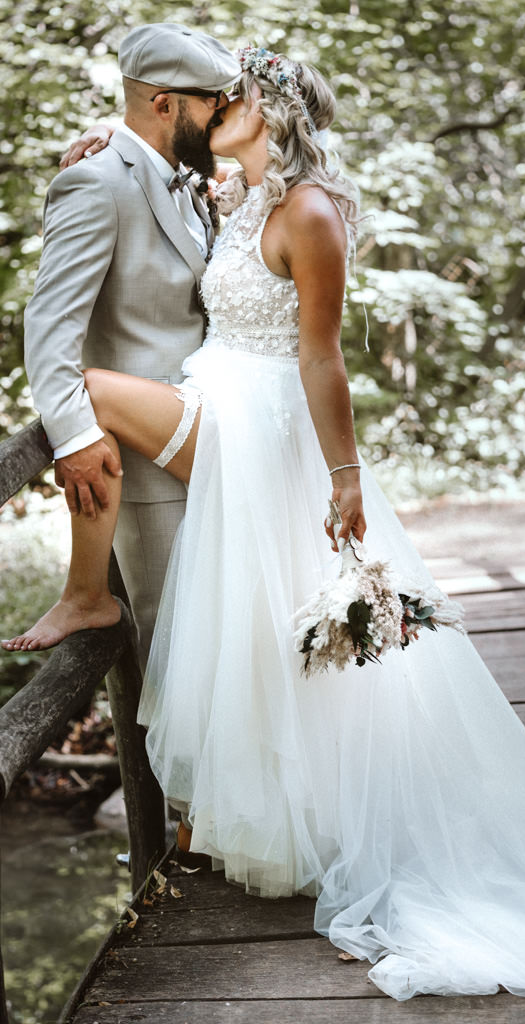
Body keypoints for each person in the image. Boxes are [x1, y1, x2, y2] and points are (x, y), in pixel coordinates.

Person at [5, 45, 525, 1014]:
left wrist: (345, 476)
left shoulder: (311, 212)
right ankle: (280, 820)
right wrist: (107, 138)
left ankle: (86, 595)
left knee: (92, 399)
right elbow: (154, 171)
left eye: (235, 99)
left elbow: (321, 358)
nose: (219, 109)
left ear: (271, 114)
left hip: (259, 423)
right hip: (223, 401)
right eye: (213, 99)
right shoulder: (237, 194)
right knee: (263, 637)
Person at [22, 23, 241, 667]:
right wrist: (74, 437)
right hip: (148, 474)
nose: (223, 112)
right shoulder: (96, 183)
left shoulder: (192, 178)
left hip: (219, 438)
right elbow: (51, 323)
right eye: (212, 102)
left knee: (230, 653)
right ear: (164, 104)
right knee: (178, 663)